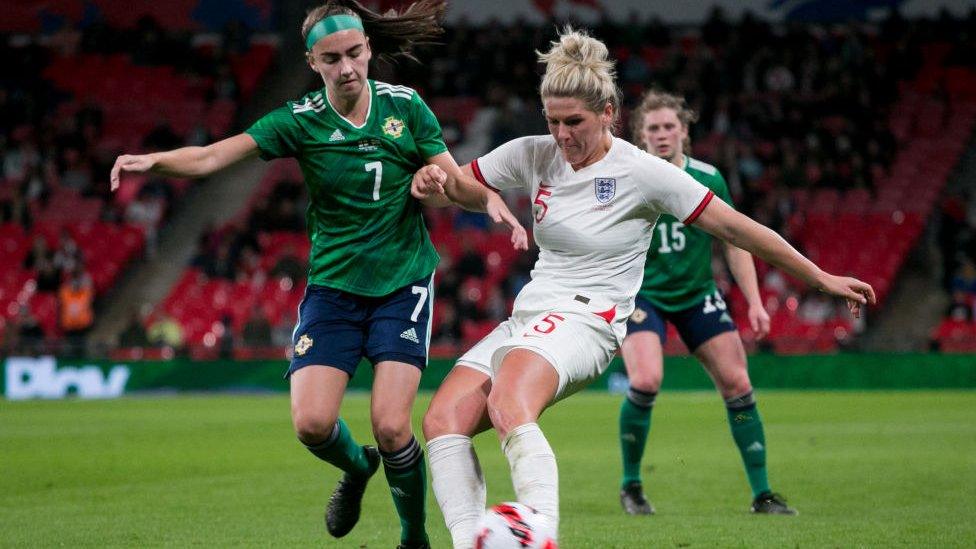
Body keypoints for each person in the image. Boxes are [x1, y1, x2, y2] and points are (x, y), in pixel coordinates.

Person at [414, 27, 873, 548]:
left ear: (608, 112)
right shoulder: (534, 153)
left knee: (509, 402)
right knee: (441, 418)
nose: (562, 135)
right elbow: (454, 185)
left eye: (575, 122)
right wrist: (431, 183)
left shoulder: (642, 172)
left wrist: (819, 276)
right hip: (530, 314)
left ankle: (539, 534)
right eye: (553, 121)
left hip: (591, 319)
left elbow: (735, 227)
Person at [110, 2, 527, 547]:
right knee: (310, 425)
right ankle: (357, 469)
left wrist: (479, 197)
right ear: (313, 61)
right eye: (332, 58)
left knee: (393, 425)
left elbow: (454, 183)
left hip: (403, 285)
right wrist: (154, 161)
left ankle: (413, 536)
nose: (347, 67)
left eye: (355, 53)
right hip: (333, 289)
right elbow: (215, 157)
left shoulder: (407, 108)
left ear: (369, 49)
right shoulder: (300, 120)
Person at [615, 89, 793, 518]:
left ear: (684, 131)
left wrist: (754, 301)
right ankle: (632, 486)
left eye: (669, 127)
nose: (661, 134)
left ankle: (763, 494)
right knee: (646, 380)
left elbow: (735, 239)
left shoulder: (709, 178)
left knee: (738, 382)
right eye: (652, 128)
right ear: (640, 134)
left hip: (696, 293)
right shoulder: (628, 176)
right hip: (643, 294)